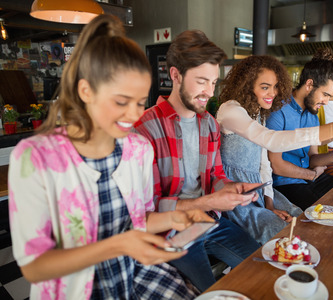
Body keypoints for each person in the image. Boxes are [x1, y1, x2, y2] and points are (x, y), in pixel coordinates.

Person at [8, 15, 213, 300]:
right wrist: (119, 245)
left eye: (140, 102)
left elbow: (139, 220)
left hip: (132, 274)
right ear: (85, 90)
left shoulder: (137, 149)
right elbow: (34, 267)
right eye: (121, 102)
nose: (133, 115)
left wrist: (176, 217)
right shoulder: (36, 157)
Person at [133, 30, 261, 292]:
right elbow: (150, 209)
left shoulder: (209, 124)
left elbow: (215, 176)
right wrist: (209, 201)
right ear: (175, 75)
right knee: (211, 294)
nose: (209, 92)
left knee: (261, 269)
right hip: (171, 232)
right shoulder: (145, 129)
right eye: (202, 81)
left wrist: (231, 189)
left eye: (214, 83)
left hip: (210, 221)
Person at [216, 55, 333, 244]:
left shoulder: (258, 114)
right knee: (287, 233)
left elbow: (264, 166)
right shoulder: (231, 110)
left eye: (275, 86)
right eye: (265, 87)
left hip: (260, 191)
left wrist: (269, 204)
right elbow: (272, 141)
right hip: (236, 196)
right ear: (247, 85)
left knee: (300, 218)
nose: (273, 93)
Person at [266, 48, 333, 210]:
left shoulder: (312, 113)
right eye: (325, 94)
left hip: (310, 178)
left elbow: (312, 158)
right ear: (309, 84)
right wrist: (311, 174)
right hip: (286, 184)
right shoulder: (278, 111)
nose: (326, 102)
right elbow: (276, 165)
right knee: (328, 211)